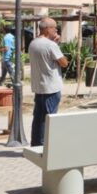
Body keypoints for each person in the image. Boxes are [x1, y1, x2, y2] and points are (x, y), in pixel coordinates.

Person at [28, 18, 68, 147]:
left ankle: (36, 145)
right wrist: (56, 44)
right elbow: (64, 63)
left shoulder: (33, 43)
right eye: (54, 27)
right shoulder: (51, 45)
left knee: (38, 117)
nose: (56, 30)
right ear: (47, 29)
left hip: (39, 86)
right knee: (49, 118)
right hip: (51, 87)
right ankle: (45, 146)